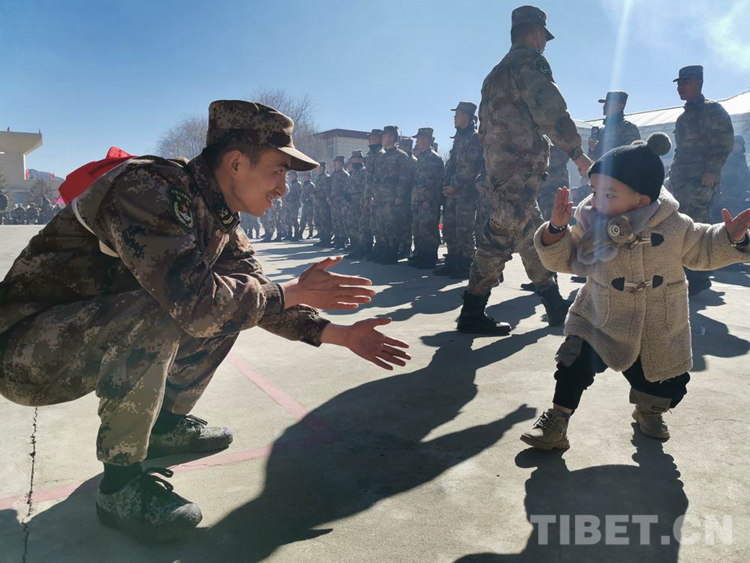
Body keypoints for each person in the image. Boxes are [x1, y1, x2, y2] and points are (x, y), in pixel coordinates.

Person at [0, 100, 411, 541]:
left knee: (235, 302)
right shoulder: (148, 189)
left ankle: (164, 426)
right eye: (278, 171)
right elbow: (194, 305)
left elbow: (256, 295)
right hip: (28, 353)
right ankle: (120, 487)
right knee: (172, 309)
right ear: (236, 163)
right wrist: (292, 291)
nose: (283, 189)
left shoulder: (216, 213)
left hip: (82, 333)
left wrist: (338, 334)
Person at [520, 134, 750, 450]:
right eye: (594, 191)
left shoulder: (673, 226)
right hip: (600, 316)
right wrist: (556, 230)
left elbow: (705, 247)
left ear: (642, 199)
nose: (597, 200)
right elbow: (566, 259)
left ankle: (650, 411)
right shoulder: (591, 224)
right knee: (574, 362)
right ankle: (557, 420)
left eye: (609, 194)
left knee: (665, 382)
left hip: (657, 321)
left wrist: (733, 239)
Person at [457, 5, 592, 335]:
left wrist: (491, 171)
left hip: (502, 170)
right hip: (520, 170)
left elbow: (484, 130)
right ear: (535, 34)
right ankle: (472, 309)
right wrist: (577, 153)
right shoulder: (530, 63)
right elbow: (551, 111)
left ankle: (554, 302)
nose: (544, 44)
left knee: (531, 234)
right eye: (543, 38)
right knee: (498, 237)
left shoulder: (493, 75)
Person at [667, 65, 735, 297]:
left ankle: (699, 276)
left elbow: (724, 142)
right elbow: (680, 152)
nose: (680, 87)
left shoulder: (712, 110)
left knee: (696, 225)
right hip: (681, 181)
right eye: (678, 83)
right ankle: (691, 274)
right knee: (684, 225)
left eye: (685, 82)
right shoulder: (683, 117)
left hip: (700, 179)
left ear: (699, 82)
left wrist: (712, 171)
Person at [434, 101, 484, 279]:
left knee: (464, 231)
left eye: (457, 114)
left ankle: (467, 265)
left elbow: (470, 168)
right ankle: (453, 262)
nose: (454, 117)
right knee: (449, 230)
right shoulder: (460, 138)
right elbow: (451, 164)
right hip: (452, 192)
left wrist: (453, 185)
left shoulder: (474, 138)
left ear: (467, 116)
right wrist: (446, 185)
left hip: (466, 193)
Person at [372, 126, 413, 264]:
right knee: (381, 225)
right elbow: (376, 178)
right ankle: (384, 251)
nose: (382, 138)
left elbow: (404, 178)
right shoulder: (381, 156)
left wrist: (399, 196)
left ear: (392, 137)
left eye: (384, 136)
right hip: (381, 197)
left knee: (392, 225)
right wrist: (375, 195)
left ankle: (392, 252)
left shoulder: (401, 156)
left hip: (393, 196)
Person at [408, 128, 445, 269]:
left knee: (428, 229)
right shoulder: (421, 158)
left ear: (426, 140)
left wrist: (427, 200)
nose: (417, 141)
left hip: (427, 201)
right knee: (418, 229)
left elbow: (434, 183)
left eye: (419, 139)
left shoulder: (433, 158)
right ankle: (420, 254)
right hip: (418, 200)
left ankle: (430, 257)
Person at [587, 91, 641, 161]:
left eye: (609, 104)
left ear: (620, 106)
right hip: (600, 171)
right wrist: (592, 149)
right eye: (605, 103)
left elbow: (632, 156)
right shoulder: (601, 131)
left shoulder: (629, 128)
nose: (605, 106)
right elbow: (593, 161)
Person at [344, 150, 366, 256]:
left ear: (360, 159)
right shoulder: (354, 172)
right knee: (352, 224)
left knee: (360, 225)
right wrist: (347, 195)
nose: (353, 160)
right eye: (352, 158)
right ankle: (354, 244)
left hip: (359, 201)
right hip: (352, 201)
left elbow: (364, 188)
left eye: (356, 158)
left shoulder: (363, 171)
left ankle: (361, 247)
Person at [330, 155, 350, 249]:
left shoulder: (344, 174)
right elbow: (330, 188)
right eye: (334, 162)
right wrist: (329, 197)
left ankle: (343, 239)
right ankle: (337, 238)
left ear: (341, 163)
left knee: (341, 221)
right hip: (333, 201)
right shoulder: (333, 174)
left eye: (336, 162)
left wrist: (339, 198)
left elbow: (345, 190)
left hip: (340, 201)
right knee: (335, 221)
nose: (334, 163)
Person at [313, 161, 333, 247]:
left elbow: (326, 192)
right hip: (318, 203)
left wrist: (315, 194)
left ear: (321, 167)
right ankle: (322, 239)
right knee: (318, 221)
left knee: (325, 221)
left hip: (323, 204)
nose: (316, 169)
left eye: (317, 167)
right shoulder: (319, 177)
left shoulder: (326, 177)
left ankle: (327, 240)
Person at [299, 170, 316, 239]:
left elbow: (313, 195)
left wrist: (308, 198)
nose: (304, 177)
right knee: (303, 219)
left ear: (309, 177)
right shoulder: (303, 185)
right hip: (305, 204)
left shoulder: (311, 185)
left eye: (305, 176)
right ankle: (300, 233)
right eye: (303, 176)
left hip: (310, 204)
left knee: (309, 219)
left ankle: (310, 233)